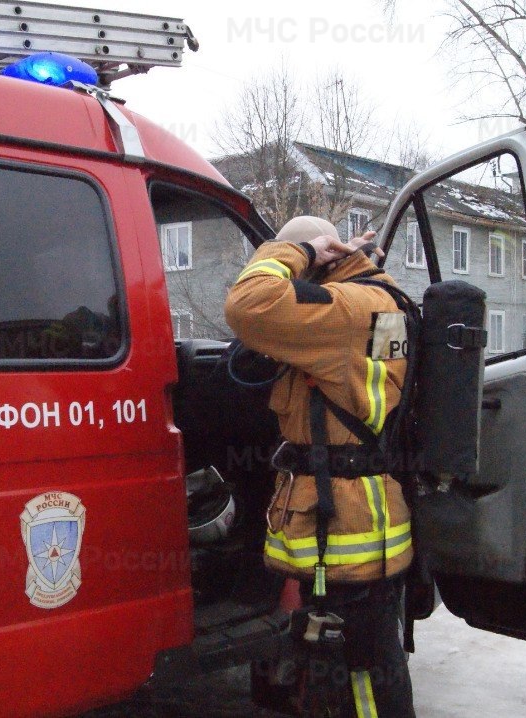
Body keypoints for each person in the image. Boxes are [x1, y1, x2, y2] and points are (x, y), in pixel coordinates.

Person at [225, 217, 414, 718]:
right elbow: (366, 378)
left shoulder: (347, 308)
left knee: (359, 675)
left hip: (347, 525)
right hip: (361, 517)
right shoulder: (377, 302)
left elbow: (249, 304)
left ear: (322, 259)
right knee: (365, 663)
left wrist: (297, 251)